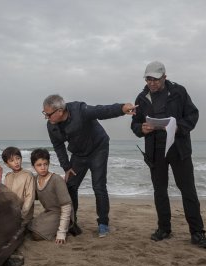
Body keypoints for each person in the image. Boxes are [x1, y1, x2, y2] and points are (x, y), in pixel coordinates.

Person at [130, 61, 206, 249]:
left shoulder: (179, 92)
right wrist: (141, 128)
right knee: (160, 191)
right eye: (148, 79)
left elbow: (193, 115)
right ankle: (164, 229)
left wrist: (177, 128)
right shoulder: (141, 98)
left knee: (188, 190)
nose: (152, 83)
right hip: (155, 152)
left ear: (164, 77)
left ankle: (197, 233)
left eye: (155, 79)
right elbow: (135, 124)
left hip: (178, 149)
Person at [42, 94, 136, 238]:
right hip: (79, 153)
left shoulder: (80, 110)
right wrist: (66, 167)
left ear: (60, 111)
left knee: (98, 186)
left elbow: (102, 111)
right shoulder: (51, 126)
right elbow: (58, 145)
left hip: (98, 148)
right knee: (70, 185)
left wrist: (122, 108)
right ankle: (72, 223)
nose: (46, 118)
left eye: (48, 114)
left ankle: (103, 223)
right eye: (45, 114)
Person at [28, 148, 73, 244]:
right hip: (49, 212)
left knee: (37, 235)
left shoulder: (56, 180)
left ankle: (67, 227)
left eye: (45, 164)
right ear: (33, 166)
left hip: (61, 213)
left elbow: (66, 206)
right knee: (28, 228)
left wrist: (62, 232)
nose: (43, 167)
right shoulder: (35, 179)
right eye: (39, 165)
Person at [2, 146, 36, 227]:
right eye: (12, 160)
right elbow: (7, 197)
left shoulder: (28, 175)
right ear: (7, 164)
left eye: (18, 158)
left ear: (21, 158)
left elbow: (30, 197)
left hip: (23, 215)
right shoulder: (8, 176)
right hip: (12, 213)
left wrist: (22, 216)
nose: (16, 162)